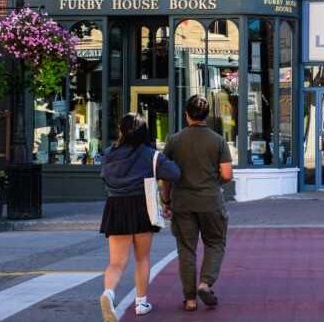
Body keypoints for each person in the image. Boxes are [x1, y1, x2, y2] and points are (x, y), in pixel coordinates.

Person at [99, 113, 180, 321]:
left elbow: (104, 178)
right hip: (142, 205)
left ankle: (108, 293)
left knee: (116, 262)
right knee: (142, 258)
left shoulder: (109, 154)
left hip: (116, 206)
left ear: (122, 131)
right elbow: (174, 173)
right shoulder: (150, 155)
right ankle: (141, 302)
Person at [164, 95, 233, 312]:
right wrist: (213, 182)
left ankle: (190, 299)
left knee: (186, 249)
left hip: (182, 202)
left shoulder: (174, 141)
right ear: (207, 116)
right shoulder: (218, 140)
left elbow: (166, 176)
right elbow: (227, 174)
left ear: (187, 115)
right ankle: (205, 282)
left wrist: (166, 200)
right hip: (210, 200)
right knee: (214, 243)